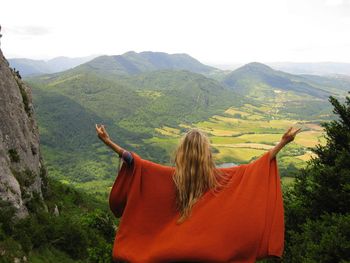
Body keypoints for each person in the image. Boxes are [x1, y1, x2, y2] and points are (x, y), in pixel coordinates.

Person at [96, 124, 301, 263]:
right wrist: (283, 142)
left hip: (169, 251)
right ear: (206, 153)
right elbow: (255, 168)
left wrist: (107, 141)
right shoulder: (220, 177)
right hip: (210, 253)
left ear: (181, 151)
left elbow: (133, 161)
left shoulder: (167, 176)